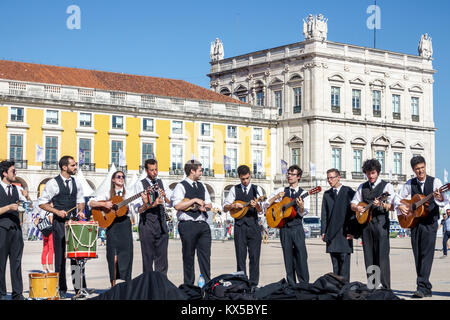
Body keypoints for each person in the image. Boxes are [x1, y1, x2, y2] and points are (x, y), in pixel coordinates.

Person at [395, 156, 449, 298]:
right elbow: (398, 198)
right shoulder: (409, 183)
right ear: (413, 170)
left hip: (430, 223)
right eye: (417, 169)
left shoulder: (435, 181)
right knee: (417, 254)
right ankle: (426, 288)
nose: (420, 171)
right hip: (414, 223)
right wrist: (402, 206)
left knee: (427, 255)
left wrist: (439, 197)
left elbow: (444, 201)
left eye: (422, 168)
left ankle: (421, 286)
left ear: (425, 166)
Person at [38, 156, 86, 299]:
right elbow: (42, 203)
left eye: (75, 165)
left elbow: (80, 200)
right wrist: (57, 211)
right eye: (73, 165)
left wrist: (81, 211)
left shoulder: (76, 182)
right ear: (64, 167)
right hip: (58, 223)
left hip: (73, 224)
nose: (75, 167)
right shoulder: (53, 183)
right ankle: (60, 289)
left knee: (76, 257)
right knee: (59, 258)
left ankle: (78, 289)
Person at [351, 159, 396, 289]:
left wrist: (381, 204)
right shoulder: (362, 187)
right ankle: (373, 286)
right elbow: (353, 203)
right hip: (366, 225)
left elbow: (393, 206)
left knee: (382, 256)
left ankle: (386, 288)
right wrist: (357, 208)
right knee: (369, 256)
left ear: (377, 172)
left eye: (373, 173)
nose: (370, 176)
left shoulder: (386, 186)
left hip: (381, 224)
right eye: (368, 173)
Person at [265, 165, 310, 285]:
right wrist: (275, 197)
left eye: (292, 174)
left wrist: (301, 207)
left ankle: (304, 284)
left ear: (298, 177)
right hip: (284, 228)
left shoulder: (304, 193)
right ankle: (291, 284)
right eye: (288, 174)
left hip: (297, 228)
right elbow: (266, 204)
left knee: (301, 256)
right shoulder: (281, 190)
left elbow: (303, 212)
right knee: (287, 257)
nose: (289, 176)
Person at [171, 159, 213, 285]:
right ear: (192, 171)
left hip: (202, 224)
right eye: (199, 170)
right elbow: (177, 205)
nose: (201, 173)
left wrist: (205, 206)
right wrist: (194, 200)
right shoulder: (180, 186)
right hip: (187, 224)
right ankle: (189, 285)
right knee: (188, 257)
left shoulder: (202, 186)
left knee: (205, 257)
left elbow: (209, 203)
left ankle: (207, 284)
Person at [88, 171, 133, 287]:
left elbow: (136, 208)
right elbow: (91, 203)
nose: (121, 178)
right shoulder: (106, 193)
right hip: (112, 225)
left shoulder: (129, 193)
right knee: (113, 255)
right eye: (118, 176)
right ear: (113, 179)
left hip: (125, 225)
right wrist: (104, 204)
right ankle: (113, 283)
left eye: (123, 177)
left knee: (127, 254)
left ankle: (127, 283)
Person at [223, 165, 264, 289]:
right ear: (239, 178)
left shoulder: (257, 190)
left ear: (250, 175)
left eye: (247, 178)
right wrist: (233, 206)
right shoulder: (234, 190)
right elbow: (225, 207)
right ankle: (242, 283)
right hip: (240, 227)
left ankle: (253, 284)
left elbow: (261, 210)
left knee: (254, 256)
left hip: (253, 226)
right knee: (240, 256)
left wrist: (256, 205)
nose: (245, 181)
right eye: (242, 179)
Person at [134, 159, 172, 275]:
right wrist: (150, 205)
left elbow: (171, 203)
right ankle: (149, 286)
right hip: (147, 223)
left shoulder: (162, 182)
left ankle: (161, 285)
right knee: (148, 258)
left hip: (161, 222)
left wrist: (165, 197)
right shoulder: (139, 184)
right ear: (146, 171)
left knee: (162, 258)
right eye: (152, 170)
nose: (155, 172)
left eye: (156, 169)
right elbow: (138, 209)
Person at [0, 160, 31, 300]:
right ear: (4, 173)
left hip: (16, 229)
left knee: (16, 262)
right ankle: (1, 293)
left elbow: (29, 207)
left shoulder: (17, 189)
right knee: (0, 263)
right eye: (13, 171)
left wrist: (27, 196)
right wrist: (8, 208)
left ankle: (17, 294)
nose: (15, 173)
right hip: (1, 229)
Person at [320, 169, 357, 282]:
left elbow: (354, 215)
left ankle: (345, 289)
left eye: (332, 178)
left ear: (338, 177)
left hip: (345, 233)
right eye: (328, 178)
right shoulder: (327, 194)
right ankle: (336, 290)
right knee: (335, 266)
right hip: (331, 234)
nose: (330, 180)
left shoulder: (349, 192)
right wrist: (323, 231)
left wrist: (353, 231)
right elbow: (324, 214)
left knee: (344, 266)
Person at [35, 206, 54, 273]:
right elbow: (51, 221)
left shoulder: (41, 210)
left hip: (44, 232)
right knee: (51, 249)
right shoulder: (50, 211)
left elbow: (36, 222)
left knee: (45, 249)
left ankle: (44, 268)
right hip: (50, 231)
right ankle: (51, 268)